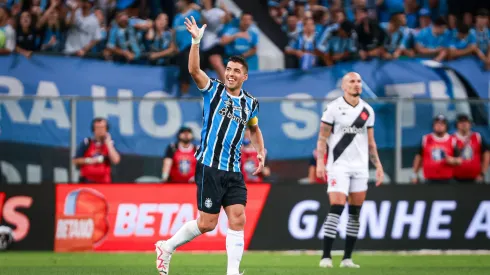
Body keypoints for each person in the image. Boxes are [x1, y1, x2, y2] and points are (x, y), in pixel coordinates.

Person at [154, 16, 265, 275]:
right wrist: (195, 42)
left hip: (233, 170)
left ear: (245, 76)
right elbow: (194, 70)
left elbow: (254, 128)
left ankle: (232, 273)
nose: (230, 73)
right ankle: (167, 247)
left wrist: (260, 150)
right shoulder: (213, 91)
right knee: (207, 224)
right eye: (228, 69)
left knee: (238, 218)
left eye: (236, 71)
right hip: (209, 166)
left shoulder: (251, 103)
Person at [316, 72, 384, 268]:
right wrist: (321, 162)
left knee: (355, 213)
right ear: (344, 86)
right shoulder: (333, 108)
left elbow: (371, 142)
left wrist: (378, 165)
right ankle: (326, 256)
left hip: (360, 167)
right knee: (337, 207)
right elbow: (322, 138)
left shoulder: (367, 111)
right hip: (338, 166)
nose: (357, 85)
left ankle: (347, 258)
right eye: (352, 81)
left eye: (359, 81)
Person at [411, 115, 461, 184]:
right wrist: (414, 175)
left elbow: (459, 160)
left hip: (447, 179)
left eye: (442, 124)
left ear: (446, 126)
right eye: (437, 123)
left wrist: (452, 160)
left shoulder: (453, 140)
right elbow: (418, 157)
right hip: (429, 179)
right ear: (433, 126)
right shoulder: (426, 139)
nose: (439, 126)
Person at [72, 118, 121, 183]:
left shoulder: (110, 144)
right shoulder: (87, 142)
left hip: (105, 183)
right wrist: (90, 160)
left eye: (103, 128)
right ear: (93, 129)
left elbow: (116, 160)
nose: (100, 130)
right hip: (87, 181)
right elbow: (75, 160)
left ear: (106, 129)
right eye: (98, 128)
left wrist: (108, 144)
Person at [452, 114, 489, 183]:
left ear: (470, 124)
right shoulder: (451, 139)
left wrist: (482, 173)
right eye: (461, 122)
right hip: (455, 179)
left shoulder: (478, 137)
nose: (464, 124)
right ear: (456, 124)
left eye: (466, 121)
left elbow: (487, 154)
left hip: (476, 178)